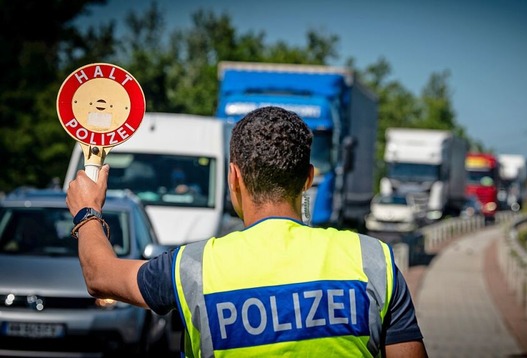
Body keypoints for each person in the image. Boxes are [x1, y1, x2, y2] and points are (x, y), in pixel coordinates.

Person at [66, 106, 428, 357]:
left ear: (233, 177)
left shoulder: (193, 267)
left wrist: (88, 211)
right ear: (308, 179)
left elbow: (100, 276)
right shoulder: (373, 260)